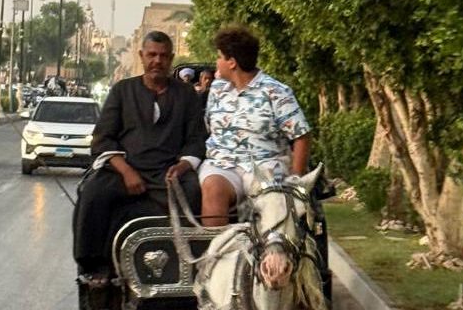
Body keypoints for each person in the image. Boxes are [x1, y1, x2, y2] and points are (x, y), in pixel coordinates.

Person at [72, 31, 204, 274]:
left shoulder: (186, 95)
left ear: (171, 59)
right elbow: (103, 138)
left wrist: (182, 166)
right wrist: (126, 171)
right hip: (125, 170)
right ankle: (94, 269)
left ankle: (190, 270)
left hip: (169, 173)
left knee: (195, 193)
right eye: (152, 55)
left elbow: (196, 140)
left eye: (163, 56)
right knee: (92, 194)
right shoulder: (122, 91)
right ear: (141, 56)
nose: (157, 61)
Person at [200, 24, 312, 227]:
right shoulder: (217, 90)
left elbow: (301, 136)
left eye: (219, 57)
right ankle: (215, 254)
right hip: (224, 164)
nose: (216, 62)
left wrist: (296, 179)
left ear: (232, 62)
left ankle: (270, 254)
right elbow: (209, 126)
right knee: (212, 187)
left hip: (265, 166)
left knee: (270, 202)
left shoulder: (276, 92)